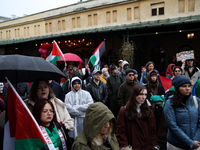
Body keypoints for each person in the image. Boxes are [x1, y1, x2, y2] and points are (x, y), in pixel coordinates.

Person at [116, 84, 159, 150]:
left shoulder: (148, 110)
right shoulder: (124, 111)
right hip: (133, 146)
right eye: (141, 94)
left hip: (147, 146)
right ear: (134, 95)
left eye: (145, 94)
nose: (144, 97)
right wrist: (125, 147)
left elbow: (152, 130)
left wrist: (154, 145)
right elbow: (121, 132)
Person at [164, 75, 200, 150]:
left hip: (195, 144)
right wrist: (190, 142)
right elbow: (172, 126)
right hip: (176, 145)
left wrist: (195, 140)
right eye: (184, 86)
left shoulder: (196, 101)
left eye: (189, 86)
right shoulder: (170, 103)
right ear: (177, 88)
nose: (187, 88)